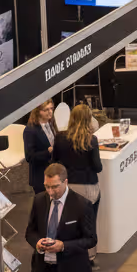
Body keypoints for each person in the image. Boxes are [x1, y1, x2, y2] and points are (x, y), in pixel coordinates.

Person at [52, 104, 104, 263]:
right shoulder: (91, 140)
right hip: (88, 187)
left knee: (67, 222)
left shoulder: (60, 138)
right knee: (89, 224)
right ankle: (89, 257)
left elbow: (54, 162)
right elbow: (98, 167)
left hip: (67, 187)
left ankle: (66, 252)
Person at [24, 99, 59, 193]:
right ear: (38, 112)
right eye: (46, 110)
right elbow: (29, 157)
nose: (50, 112)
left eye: (51, 108)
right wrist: (48, 152)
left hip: (54, 172)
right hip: (41, 176)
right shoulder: (30, 130)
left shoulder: (51, 123)